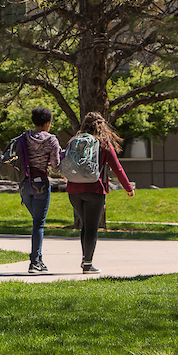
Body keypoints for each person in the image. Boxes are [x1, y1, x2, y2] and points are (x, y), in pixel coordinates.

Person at [66, 112, 135, 273]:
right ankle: (88, 264)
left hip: (74, 190)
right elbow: (117, 168)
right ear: (101, 125)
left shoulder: (73, 142)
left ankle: (85, 260)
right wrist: (128, 188)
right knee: (91, 228)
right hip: (94, 190)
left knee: (86, 225)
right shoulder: (104, 144)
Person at [20, 106, 62, 274]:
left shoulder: (24, 138)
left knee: (36, 221)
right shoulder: (51, 140)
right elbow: (56, 168)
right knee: (39, 223)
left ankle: (38, 258)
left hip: (24, 184)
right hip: (40, 184)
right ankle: (35, 261)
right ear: (47, 123)